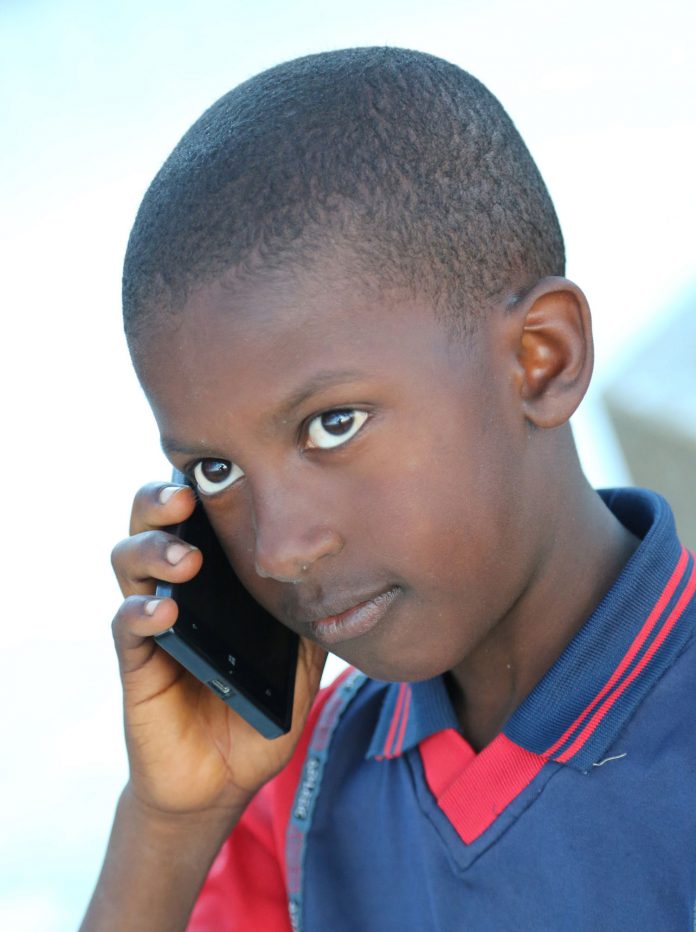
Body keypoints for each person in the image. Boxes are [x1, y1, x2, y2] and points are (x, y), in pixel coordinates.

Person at [81, 48, 696, 931]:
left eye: (333, 425)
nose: (278, 548)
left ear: (541, 360)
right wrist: (170, 823)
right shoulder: (303, 784)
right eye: (217, 472)